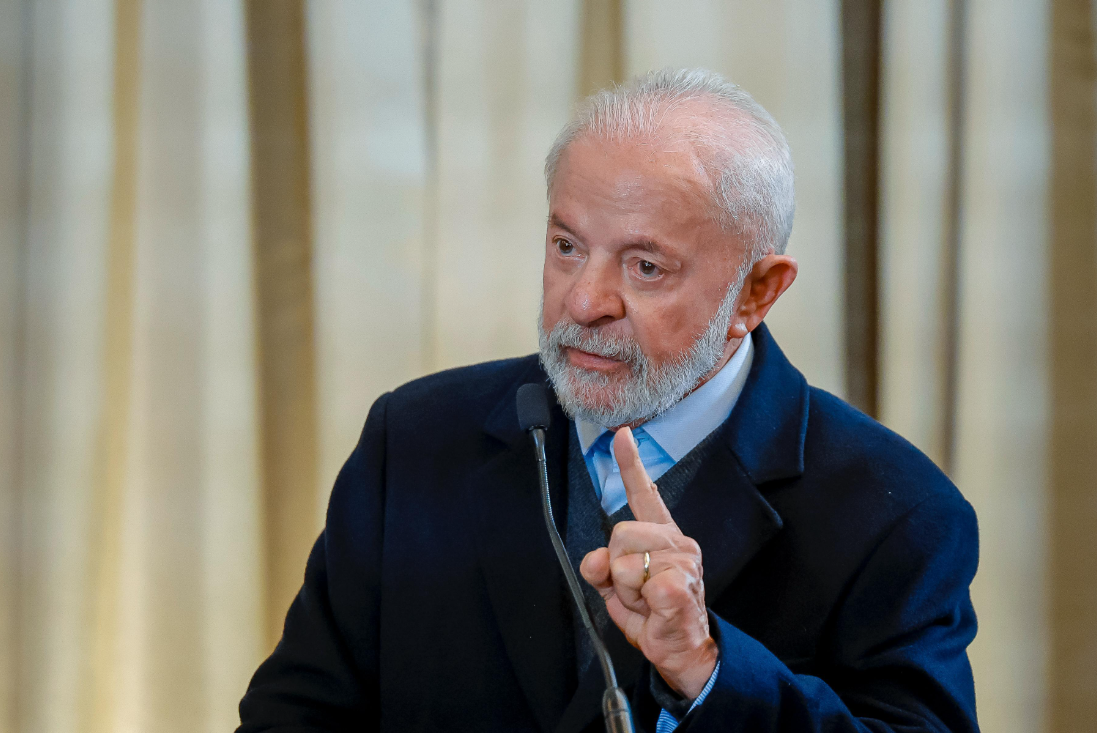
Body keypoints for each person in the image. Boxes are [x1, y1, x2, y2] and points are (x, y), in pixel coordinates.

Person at [236, 68, 980, 733]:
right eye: (566, 247)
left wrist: (707, 671)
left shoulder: (894, 511)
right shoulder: (416, 439)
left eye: (645, 266)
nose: (584, 301)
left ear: (756, 291)